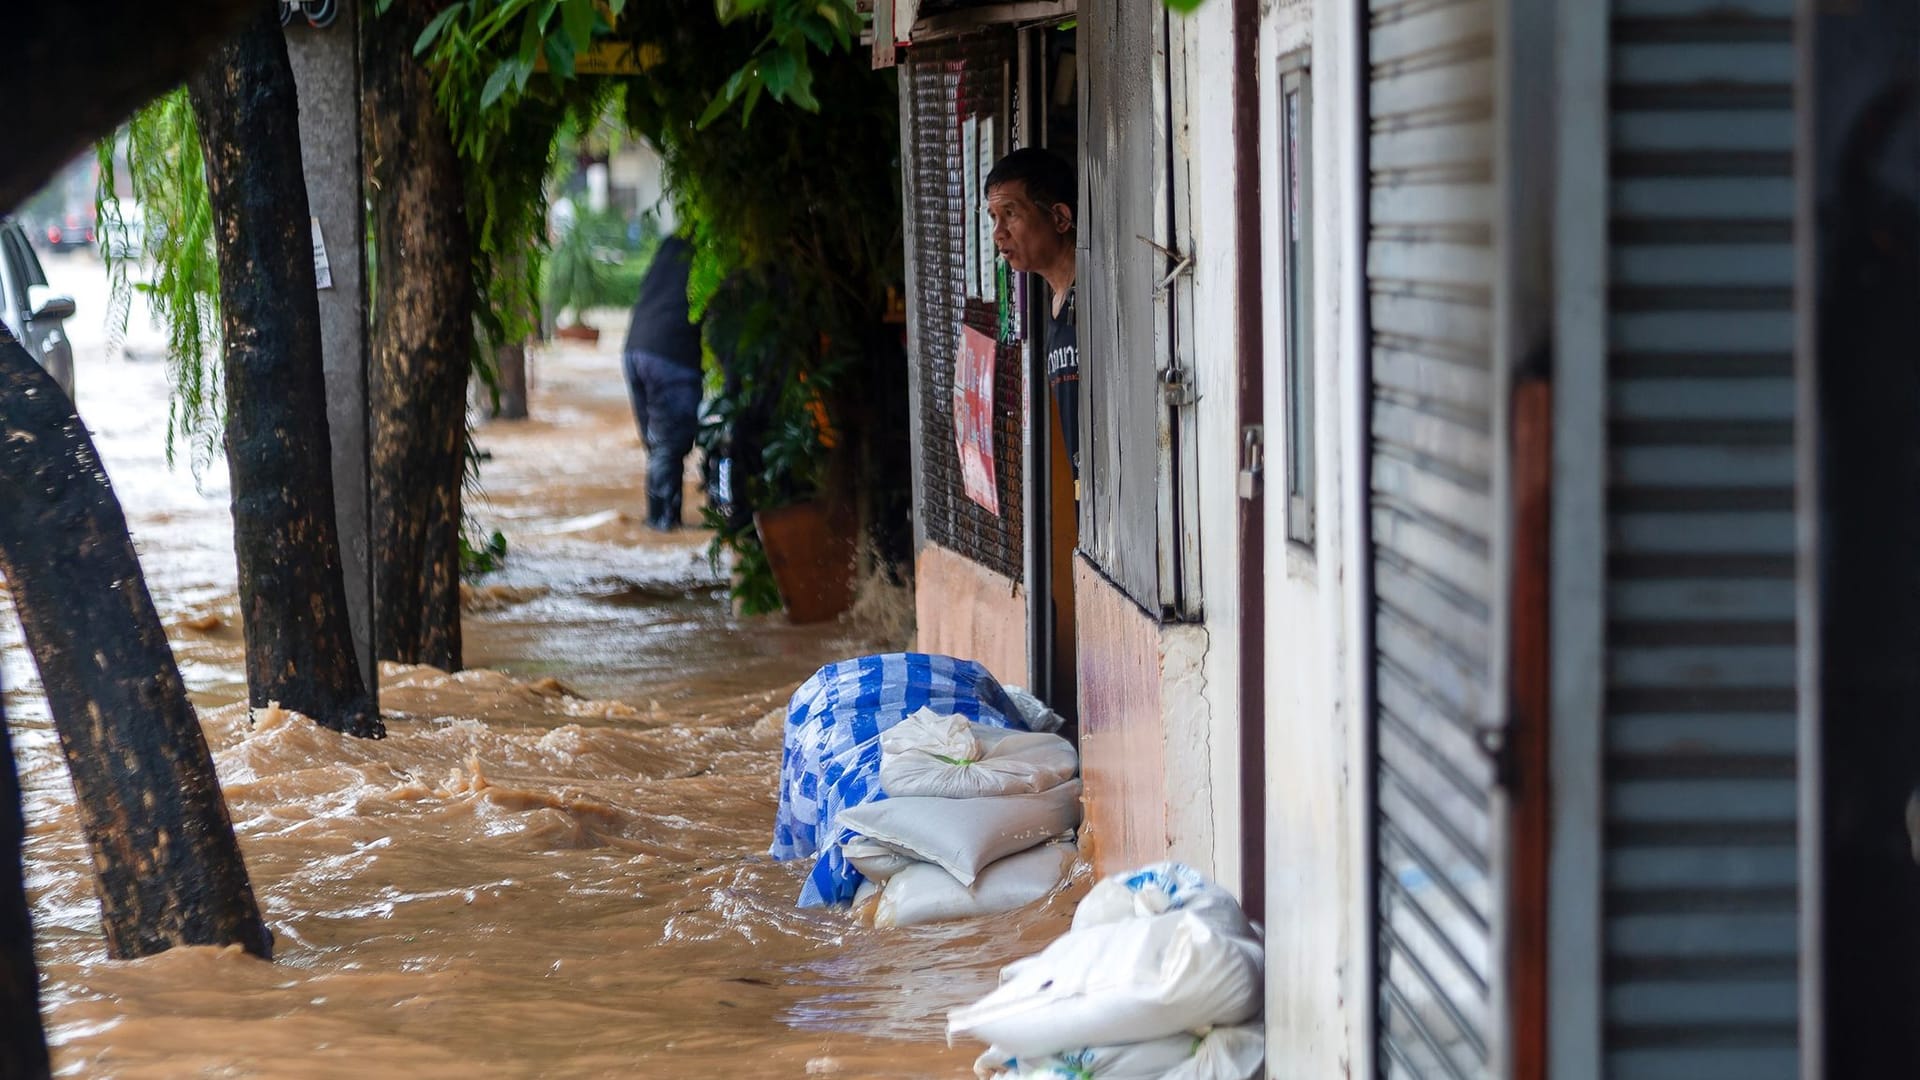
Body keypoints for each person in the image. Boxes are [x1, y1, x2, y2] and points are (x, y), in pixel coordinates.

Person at [985, 148, 1079, 488]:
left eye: (1010, 213)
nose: (998, 233)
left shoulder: (1095, 296)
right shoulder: (1054, 306)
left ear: (1059, 218)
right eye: (993, 217)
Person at [621, 235, 705, 531]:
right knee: (669, 444)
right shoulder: (707, 253)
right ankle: (663, 523)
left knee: (657, 444)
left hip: (634, 350)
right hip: (671, 356)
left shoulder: (671, 246)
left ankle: (657, 520)